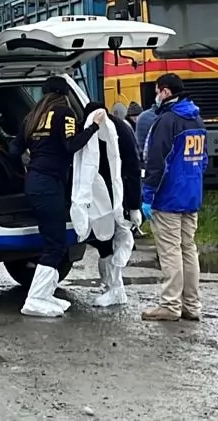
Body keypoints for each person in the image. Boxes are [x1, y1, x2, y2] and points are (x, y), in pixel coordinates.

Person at [8, 76, 106, 317]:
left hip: (34, 181)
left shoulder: (33, 116)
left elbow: (13, 150)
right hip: (49, 184)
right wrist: (93, 126)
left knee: (54, 241)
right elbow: (71, 145)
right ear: (64, 93)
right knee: (56, 244)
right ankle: (36, 298)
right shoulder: (65, 113)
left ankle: (45, 294)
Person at [140, 73, 208, 322]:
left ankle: (170, 305)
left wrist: (147, 194)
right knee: (188, 249)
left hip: (168, 196)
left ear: (166, 92)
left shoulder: (167, 121)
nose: (156, 96)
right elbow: (204, 160)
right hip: (191, 195)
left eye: (157, 91)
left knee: (170, 251)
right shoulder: (197, 119)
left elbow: (157, 161)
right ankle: (192, 304)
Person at [80, 102, 143, 307]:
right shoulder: (101, 127)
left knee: (114, 241)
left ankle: (116, 289)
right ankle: (111, 286)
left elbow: (133, 167)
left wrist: (134, 205)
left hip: (118, 194)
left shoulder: (119, 130)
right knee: (103, 240)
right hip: (101, 194)